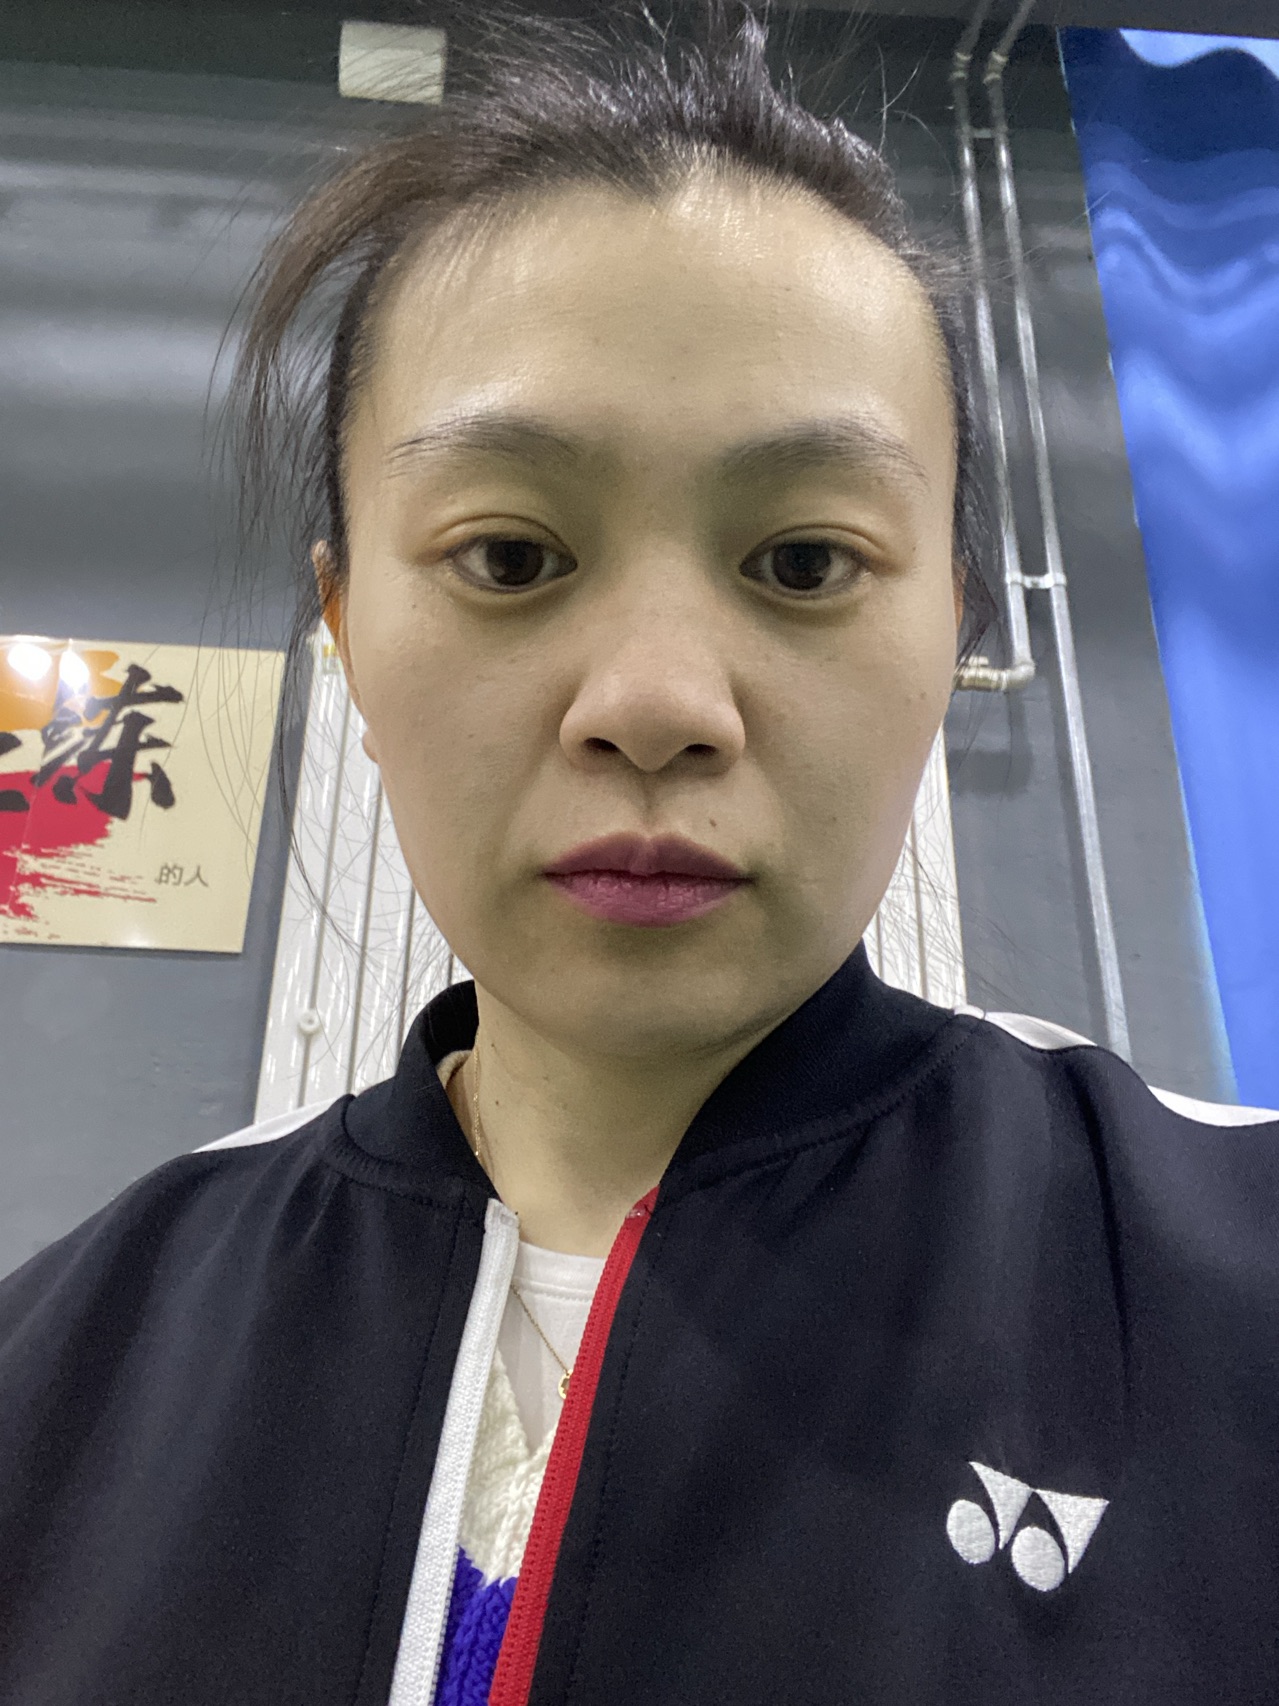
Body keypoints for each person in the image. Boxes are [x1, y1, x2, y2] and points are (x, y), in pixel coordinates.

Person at [1, 4, 1277, 1703]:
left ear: (952, 633)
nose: (658, 705)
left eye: (805, 562)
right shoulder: (61, 1368)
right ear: (347, 630)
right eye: (510, 555)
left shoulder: (1232, 1282)